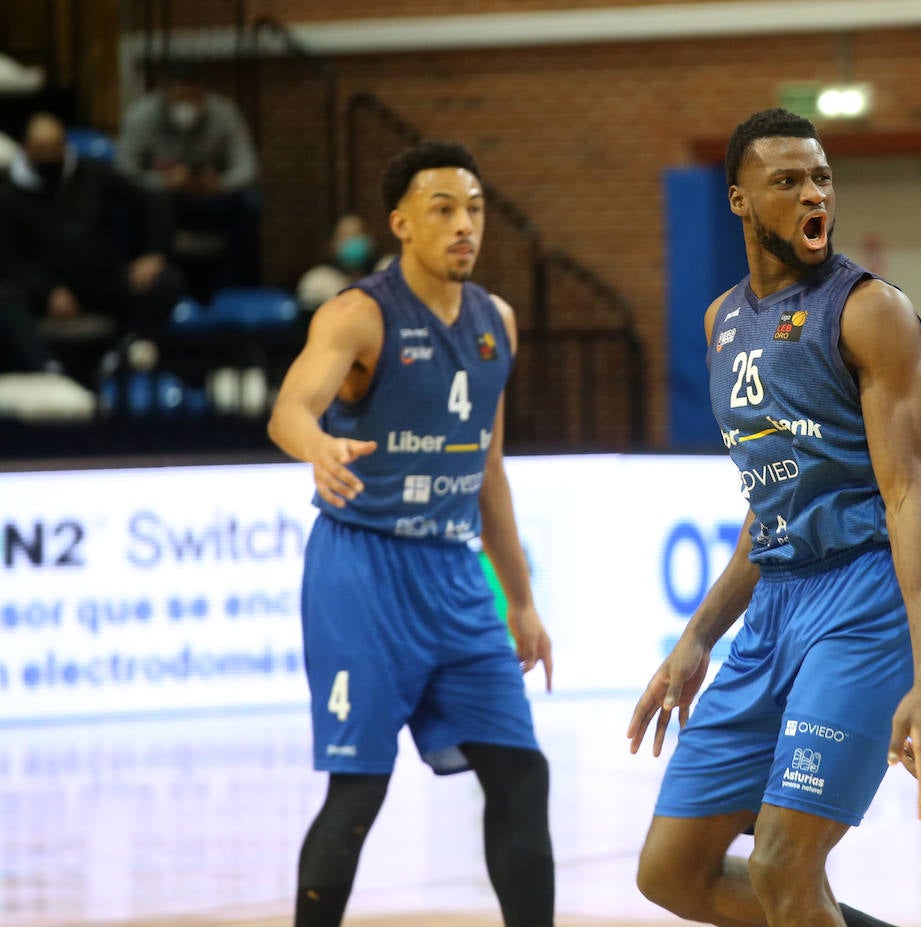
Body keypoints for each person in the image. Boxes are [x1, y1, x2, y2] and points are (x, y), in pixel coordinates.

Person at [628, 108, 921, 927]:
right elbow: (769, 504)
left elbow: (910, 497)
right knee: (670, 871)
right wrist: (700, 633)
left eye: (822, 178)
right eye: (788, 181)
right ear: (741, 200)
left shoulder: (869, 311)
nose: (814, 194)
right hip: (772, 607)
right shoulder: (721, 323)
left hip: (860, 603)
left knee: (780, 862)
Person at [267, 140, 555, 927]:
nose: (465, 226)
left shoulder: (498, 321)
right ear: (401, 223)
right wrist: (318, 444)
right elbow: (289, 408)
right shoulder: (360, 313)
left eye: (475, 209)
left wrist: (521, 600)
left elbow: (488, 470)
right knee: (359, 788)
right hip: (363, 569)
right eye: (444, 210)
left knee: (523, 773)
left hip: (456, 574)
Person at [0, 112, 183, 381]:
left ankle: (126, 353)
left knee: (166, 281)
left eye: (56, 147)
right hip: (43, 291)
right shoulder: (8, 193)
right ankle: (48, 370)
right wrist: (48, 291)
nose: (50, 156)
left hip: (102, 280)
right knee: (4, 297)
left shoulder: (94, 174)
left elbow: (154, 201)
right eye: (41, 149)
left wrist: (154, 253)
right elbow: (7, 259)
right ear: (26, 150)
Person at [116, 61, 260, 301]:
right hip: (160, 201)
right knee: (146, 206)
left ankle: (238, 292)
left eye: (192, 98)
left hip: (209, 198)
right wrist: (163, 182)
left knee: (247, 205)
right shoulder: (140, 116)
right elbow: (124, 172)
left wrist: (219, 183)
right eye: (178, 99)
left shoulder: (224, 113)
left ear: (203, 93)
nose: (185, 106)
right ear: (164, 94)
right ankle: (155, 287)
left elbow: (248, 168)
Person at [296, 213, 383, 312]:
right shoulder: (318, 281)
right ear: (332, 244)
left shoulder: (385, 274)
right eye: (347, 235)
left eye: (359, 234)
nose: (354, 241)